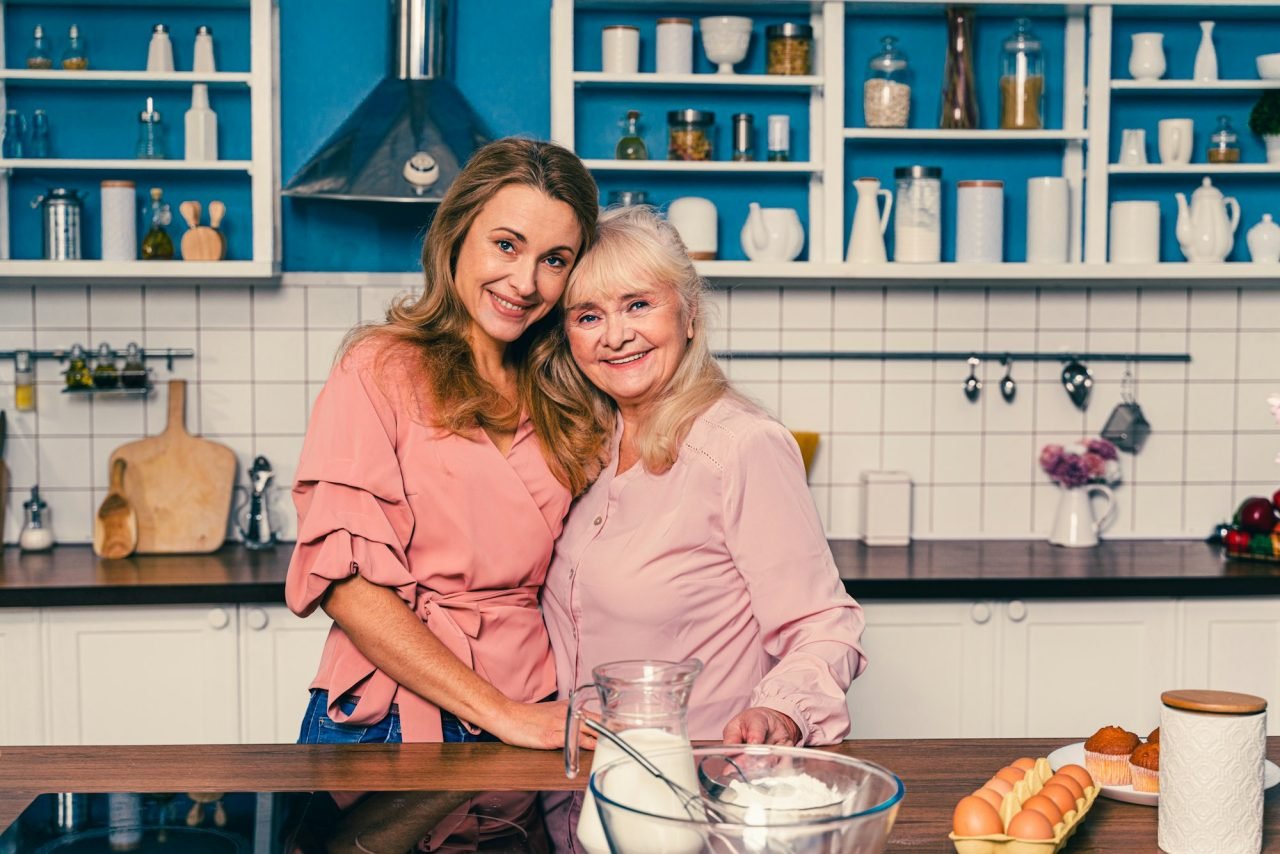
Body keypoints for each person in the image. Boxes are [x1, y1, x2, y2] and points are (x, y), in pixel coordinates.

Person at [286, 138, 611, 748]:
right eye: (507, 245)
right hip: (389, 716)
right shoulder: (379, 368)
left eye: (555, 259)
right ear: (457, 235)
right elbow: (347, 585)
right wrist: (502, 714)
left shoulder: (572, 397)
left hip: (537, 704)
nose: (525, 281)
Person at [542, 204, 867, 749]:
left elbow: (823, 622)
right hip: (579, 787)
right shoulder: (582, 446)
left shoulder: (741, 446)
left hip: (696, 784)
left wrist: (781, 712)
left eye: (638, 305)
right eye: (588, 315)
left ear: (688, 314)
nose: (615, 335)